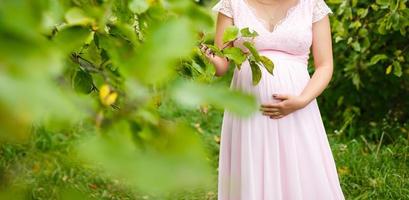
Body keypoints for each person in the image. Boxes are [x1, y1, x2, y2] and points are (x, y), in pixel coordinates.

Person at [200, 0, 346, 199]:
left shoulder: (312, 4)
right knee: (253, 170)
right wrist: (206, 56)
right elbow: (222, 66)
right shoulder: (232, 3)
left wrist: (302, 100)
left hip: (298, 110)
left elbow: (325, 65)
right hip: (248, 109)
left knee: (301, 169)